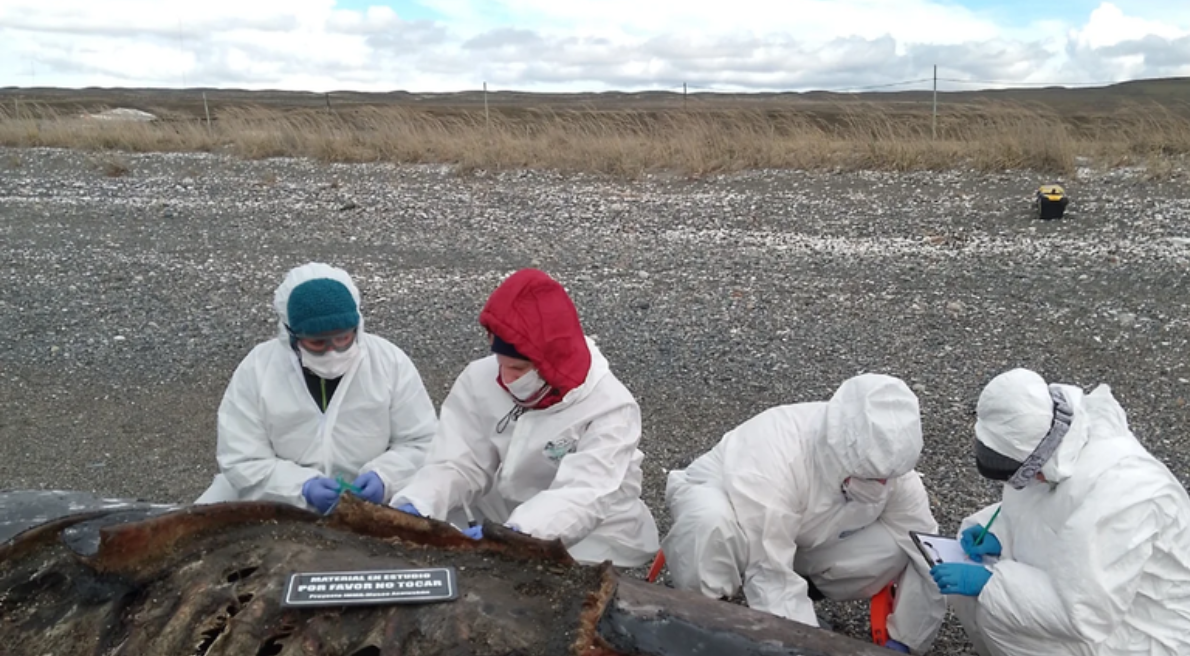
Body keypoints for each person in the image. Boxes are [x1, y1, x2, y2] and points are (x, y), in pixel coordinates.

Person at [388, 268, 660, 568]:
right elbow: (459, 462)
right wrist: (418, 502)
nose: (505, 377)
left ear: (552, 361)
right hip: (504, 511)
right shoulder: (479, 378)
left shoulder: (611, 407)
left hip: (594, 530)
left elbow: (583, 493)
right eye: (500, 362)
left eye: (518, 369)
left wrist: (520, 534)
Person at [660, 373, 947, 654]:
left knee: (895, 547)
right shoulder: (776, 454)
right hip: (734, 511)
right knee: (710, 523)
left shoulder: (893, 470)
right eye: (873, 476)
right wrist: (807, 644)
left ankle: (802, 599)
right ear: (840, 452)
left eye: (889, 477)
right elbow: (770, 571)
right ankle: (703, 616)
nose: (884, 485)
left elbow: (927, 552)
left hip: (800, 535)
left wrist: (906, 640)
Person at [930, 368, 1190, 656]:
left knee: (999, 614)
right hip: (1103, 600)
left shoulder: (1123, 496)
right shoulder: (1057, 446)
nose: (1018, 484)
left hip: (1148, 631)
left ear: (1038, 458)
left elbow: (1083, 613)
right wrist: (1000, 533)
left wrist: (992, 583)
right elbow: (1052, 514)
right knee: (980, 586)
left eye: (1021, 474)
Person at [195, 262, 438, 514]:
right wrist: (301, 487)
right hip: (275, 499)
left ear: (358, 327)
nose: (332, 351)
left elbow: (422, 441)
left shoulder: (389, 362)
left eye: (343, 338)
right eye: (316, 342)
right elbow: (241, 458)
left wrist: (385, 477)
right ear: (290, 335)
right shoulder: (258, 369)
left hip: (374, 502)